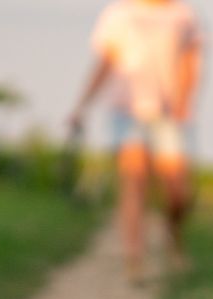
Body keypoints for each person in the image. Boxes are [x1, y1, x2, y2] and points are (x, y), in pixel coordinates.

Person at [69, 0, 203, 281]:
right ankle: (134, 259)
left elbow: (191, 59)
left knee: (177, 191)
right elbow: (106, 61)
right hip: (125, 110)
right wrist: (82, 105)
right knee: (134, 179)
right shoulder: (118, 14)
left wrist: (185, 100)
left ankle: (172, 234)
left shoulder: (183, 15)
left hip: (169, 113)